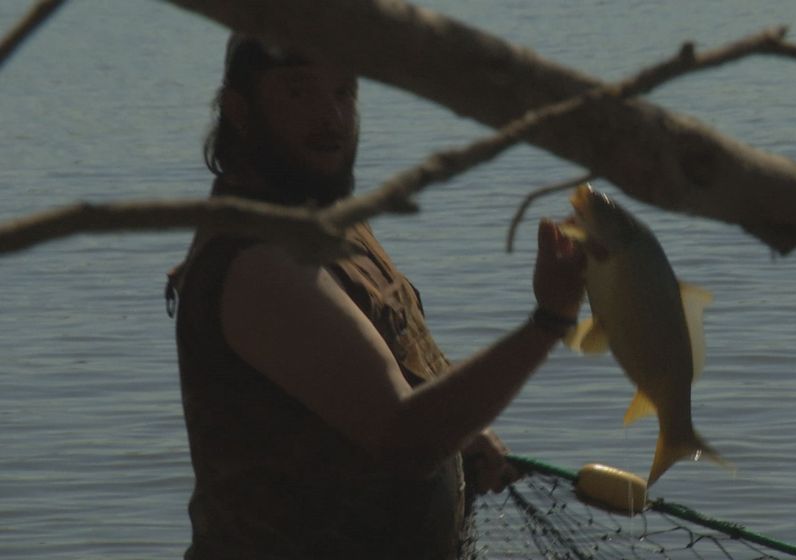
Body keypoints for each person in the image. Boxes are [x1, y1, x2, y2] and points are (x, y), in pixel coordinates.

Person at [166, 34, 586, 559]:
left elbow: (380, 380)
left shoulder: (325, 220)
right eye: (299, 92)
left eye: (344, 93)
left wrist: (458, 437)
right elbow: (402, 437)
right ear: (239, 110)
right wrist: (549, 320)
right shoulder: (257, 262)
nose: (331, 119)